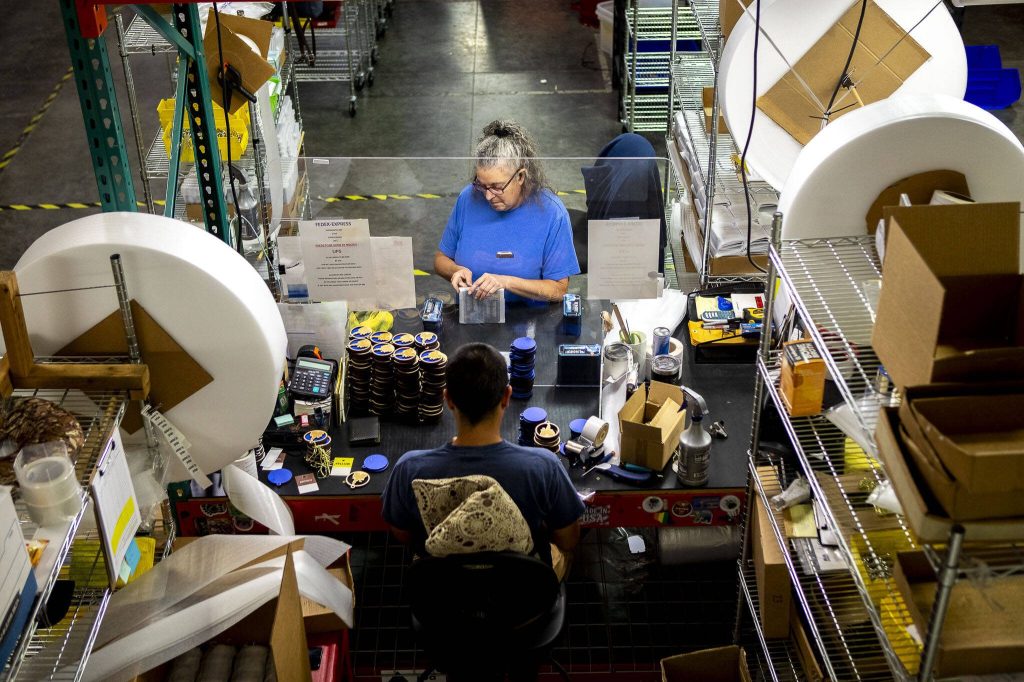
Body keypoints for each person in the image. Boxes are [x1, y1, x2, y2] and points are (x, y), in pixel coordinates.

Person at [380, 342, 584, 579]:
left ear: (448, 400)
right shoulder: (544, 467)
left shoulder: (409, 470)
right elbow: (568, 539)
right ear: (507, 397)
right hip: (523, 601)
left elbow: (403, 534)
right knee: (564, 553)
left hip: (443, 598)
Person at [434, 120, 581, 303]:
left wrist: (506, 282)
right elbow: (441, 259)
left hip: (528, 323)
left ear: (520, 176)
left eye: (496, 187)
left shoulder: (552, 213)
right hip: (473, 316)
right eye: (482, 185)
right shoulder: (468, 198)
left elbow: (559, 290)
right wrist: (455, 271)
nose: (487, 196)